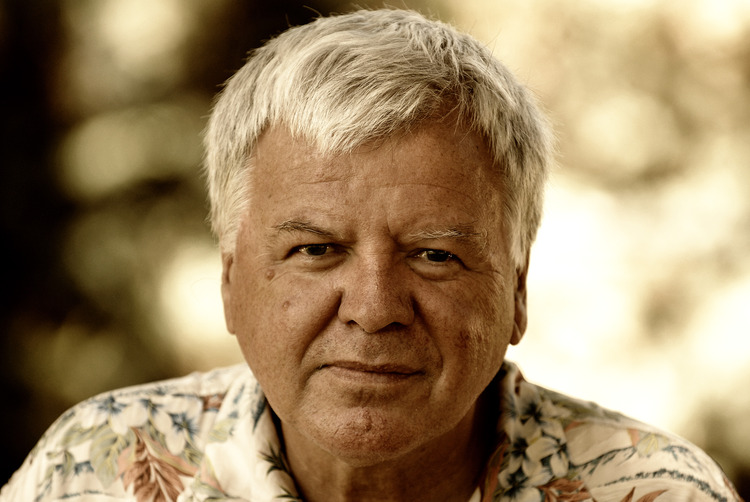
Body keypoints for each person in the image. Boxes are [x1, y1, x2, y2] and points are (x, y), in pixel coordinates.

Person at [1, 8, 742, 502]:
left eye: (434, 255)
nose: (374, 308)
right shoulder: (91, 471)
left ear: (517, 291)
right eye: (316, 249)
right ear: (231, 281)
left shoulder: (656, 492)